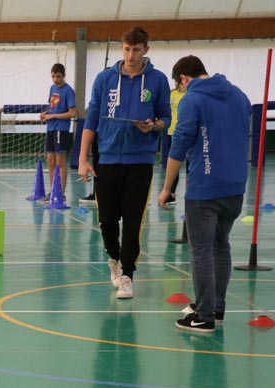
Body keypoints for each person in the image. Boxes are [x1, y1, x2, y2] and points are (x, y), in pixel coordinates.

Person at [157, 55, 251, 333]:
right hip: (235, 186)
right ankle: (216, 308)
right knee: (221, 244)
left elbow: (180, 145)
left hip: (204, 188)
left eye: (179, 85)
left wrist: (166, 188)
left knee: (200, 250)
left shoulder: (192, 100)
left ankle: (204, 316)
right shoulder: (239, 95)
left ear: (184, 79)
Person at [78, 26, 171, 300]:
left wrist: (154, 126)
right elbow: (91, 120)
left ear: (146, 50)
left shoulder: (158, 80)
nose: (131, 55)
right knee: (107, 220)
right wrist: (83, 158)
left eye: (136, 50)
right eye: (127, 49)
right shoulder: (104, 79)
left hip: (140, 162)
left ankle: (128, 275)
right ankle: (114, 258)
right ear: (122, 48)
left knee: (132, 222)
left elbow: (166, 118)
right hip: (107, 159)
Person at [40, 63, 77, 199]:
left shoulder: (68, 91)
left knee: (60, 161)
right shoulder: (52, 88)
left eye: (58, 76)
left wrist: (54, 115)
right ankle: (53, 191)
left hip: (61, 129)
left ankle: (61, 193)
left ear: (64, 76)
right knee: (50, 159)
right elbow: (53, 108)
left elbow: (72, 113)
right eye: (53, 76)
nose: (56, 79)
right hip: (50, 127)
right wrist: (46, 113)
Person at [160, 78, 186, 205]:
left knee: (190, 165)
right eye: (175, 80)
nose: (177, 83)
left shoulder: (189, 95)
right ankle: (170, 193)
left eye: (179, 80)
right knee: (172, 163)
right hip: (171, 132)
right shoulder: (171, 94)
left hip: (184, 133)